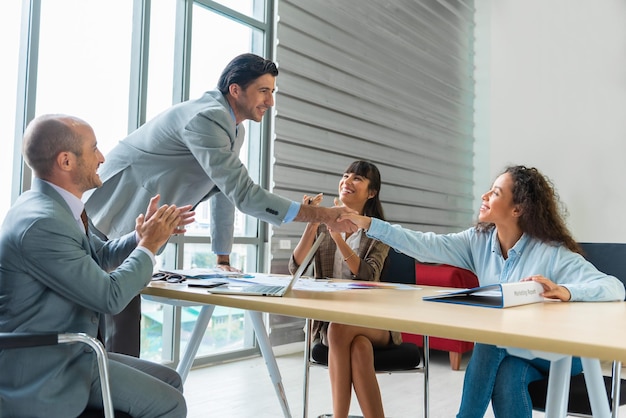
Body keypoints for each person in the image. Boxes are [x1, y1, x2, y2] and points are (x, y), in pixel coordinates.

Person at [84, 53, 357, 356]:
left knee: (121, 322)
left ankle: (120, 394)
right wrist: (323, 215)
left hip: (129, 227)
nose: (270, 101)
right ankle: (115, 395)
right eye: (264, 91)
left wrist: (222, 257)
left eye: (273, 92)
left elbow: (224, 190)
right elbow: (243, 193)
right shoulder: (207, 118)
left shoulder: (233, 128)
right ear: (235, 89)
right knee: (110, 322)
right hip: (108, 214)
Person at [339, 164, 626, 418]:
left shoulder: (551, 253)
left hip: (560, 354)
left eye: (496, 193)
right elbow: (424, 244)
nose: (484, 196)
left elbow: (613, 286)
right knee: (508, 377)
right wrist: (366, 223)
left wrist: (564, 290)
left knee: (490, 341)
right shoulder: (478, 242)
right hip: (516, 354)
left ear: (518, 209)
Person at [0, 114, 192, 417]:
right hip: (47, 368)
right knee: (171, 404)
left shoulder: (55, 207)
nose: (102, 158)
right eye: (94, 149)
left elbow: (99, 256)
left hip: (71, 353)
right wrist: (149, 246)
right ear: (66, 161)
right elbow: (109, 297)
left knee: (171, 379)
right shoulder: (43, 223)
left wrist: (140, 237)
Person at [289, 160, 399, 418]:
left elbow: (369, 275)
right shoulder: (324, 224)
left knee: (340, 328)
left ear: (371, 192)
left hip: (375, 320)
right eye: (345, 175)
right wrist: (313, 221)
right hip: (333, 322)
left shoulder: (379, 231)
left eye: (357, 178)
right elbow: (297, 268)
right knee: (358, 347)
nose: (347, 181)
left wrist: (338, 237)